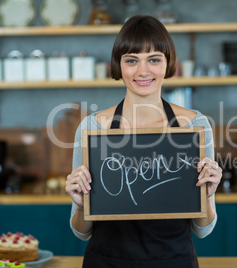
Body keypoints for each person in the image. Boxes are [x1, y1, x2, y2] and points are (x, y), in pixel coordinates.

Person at [65, 15, 222, 267]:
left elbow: (203, 230)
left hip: (174, 262)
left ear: (168, 63)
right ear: (118, 65)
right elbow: (81, 231)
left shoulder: (194, 127)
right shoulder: (93, 128)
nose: (143, 71)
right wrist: (83, 205)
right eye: (131, 60)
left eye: (154, 59)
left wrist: (207, 194)